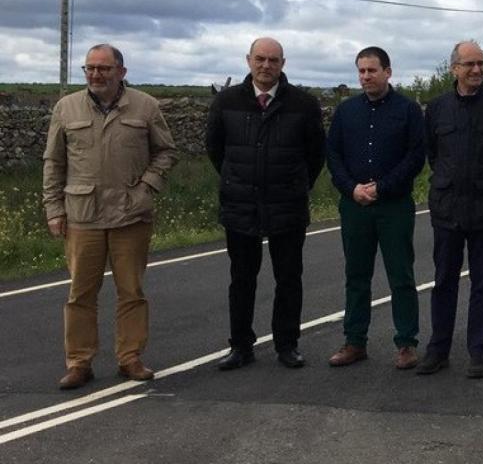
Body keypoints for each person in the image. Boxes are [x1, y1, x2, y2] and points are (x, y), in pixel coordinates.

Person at [42, 43, 178, 390]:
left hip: (131, 216)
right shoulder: (66, 108)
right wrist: (54, 209)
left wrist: (147, 187)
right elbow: (54, 162)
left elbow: (165, 151)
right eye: (90, 68)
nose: (96, 74)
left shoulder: (145, 106)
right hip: (82, 216)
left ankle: (130, 358)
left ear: (122, 72)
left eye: (104, 68)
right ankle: (79, 362)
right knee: (80, 294)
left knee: (131, 291)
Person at [206, 37, 326, 371]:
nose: (266, 66)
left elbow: (316, 154)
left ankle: (287, 344)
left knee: (289, 277)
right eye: (260, 59)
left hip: (287, 204)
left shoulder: (302, 104)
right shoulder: (227, 101)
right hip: (240, 205)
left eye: (273, 60)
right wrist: (236, 182)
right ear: (248, 60)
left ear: (283, 64)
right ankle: (240, 346)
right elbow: (216, 149)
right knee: (241, 278)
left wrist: (297, 184)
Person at [417, 40, 483, 378]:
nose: (477, 70)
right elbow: (433, 154)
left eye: (481, 63)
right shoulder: (437, 108)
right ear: (454, 69)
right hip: (447, 208)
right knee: (444, 281)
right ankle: (438, 349)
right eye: (469, 64)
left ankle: (478, 351)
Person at [325, 47, 425, 370]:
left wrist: (382, 187)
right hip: (354, 205)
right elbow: (334, 156)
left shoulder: (407, 110)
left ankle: (407, 342)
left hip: (393, 205)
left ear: (388, 72)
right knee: (356, 275)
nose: (366, 77)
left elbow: (415, 157)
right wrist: (352, 188)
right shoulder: (346, 112)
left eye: (372, 70)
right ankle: (355, 341)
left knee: (401, 275)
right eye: (361, 71)